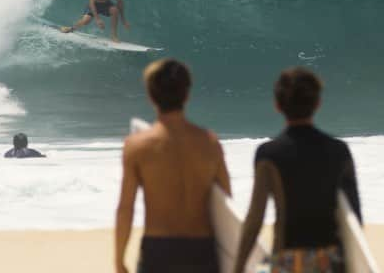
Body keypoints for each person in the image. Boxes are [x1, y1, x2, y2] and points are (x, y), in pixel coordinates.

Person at [233, 67, 361, 273]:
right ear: (317, 104)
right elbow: (354, 221)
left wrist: (237, 268)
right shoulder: (339, 151)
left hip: (287, 262)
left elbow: (255, 220)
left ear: (277, 105)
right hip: (330, 262)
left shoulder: (268, 154)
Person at [115, 59, 230, 273]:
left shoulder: (137, 146)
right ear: (187, 94)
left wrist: (119, 260)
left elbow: (125, 208)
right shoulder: (210, 143)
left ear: (151, 96)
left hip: (158, 250)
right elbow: (225, 202)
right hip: (202, 250)